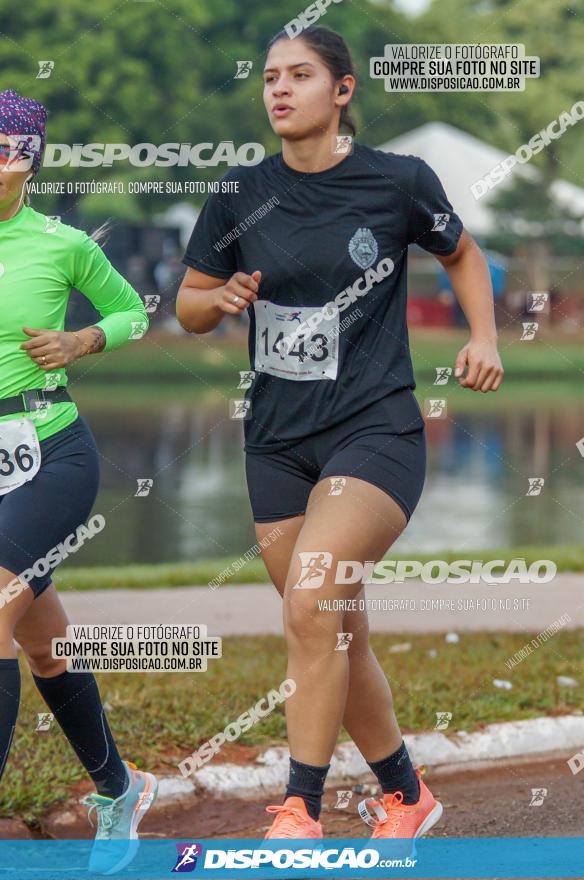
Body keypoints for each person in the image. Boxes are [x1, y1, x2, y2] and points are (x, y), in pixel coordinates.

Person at [176, 27, 503, 841]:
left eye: (299, 76)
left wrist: (485, 336)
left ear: (343, 90)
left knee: (315, 604)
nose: (278, 90)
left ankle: (299, 808)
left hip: (376, 430)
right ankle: (406, 794)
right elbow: (186, 302)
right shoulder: (237, 193)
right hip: (278, 442)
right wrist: (216, 305)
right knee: (327, 625)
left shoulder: (396, 182)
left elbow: (462, 253)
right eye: (269, 78)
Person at [0, 90, 156, 871]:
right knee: (44, 644)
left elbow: (135, 313)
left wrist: (82, 338)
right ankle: (120, 789)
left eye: (4, 145)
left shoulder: (61, 243)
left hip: (54, 453)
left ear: (31, 158)